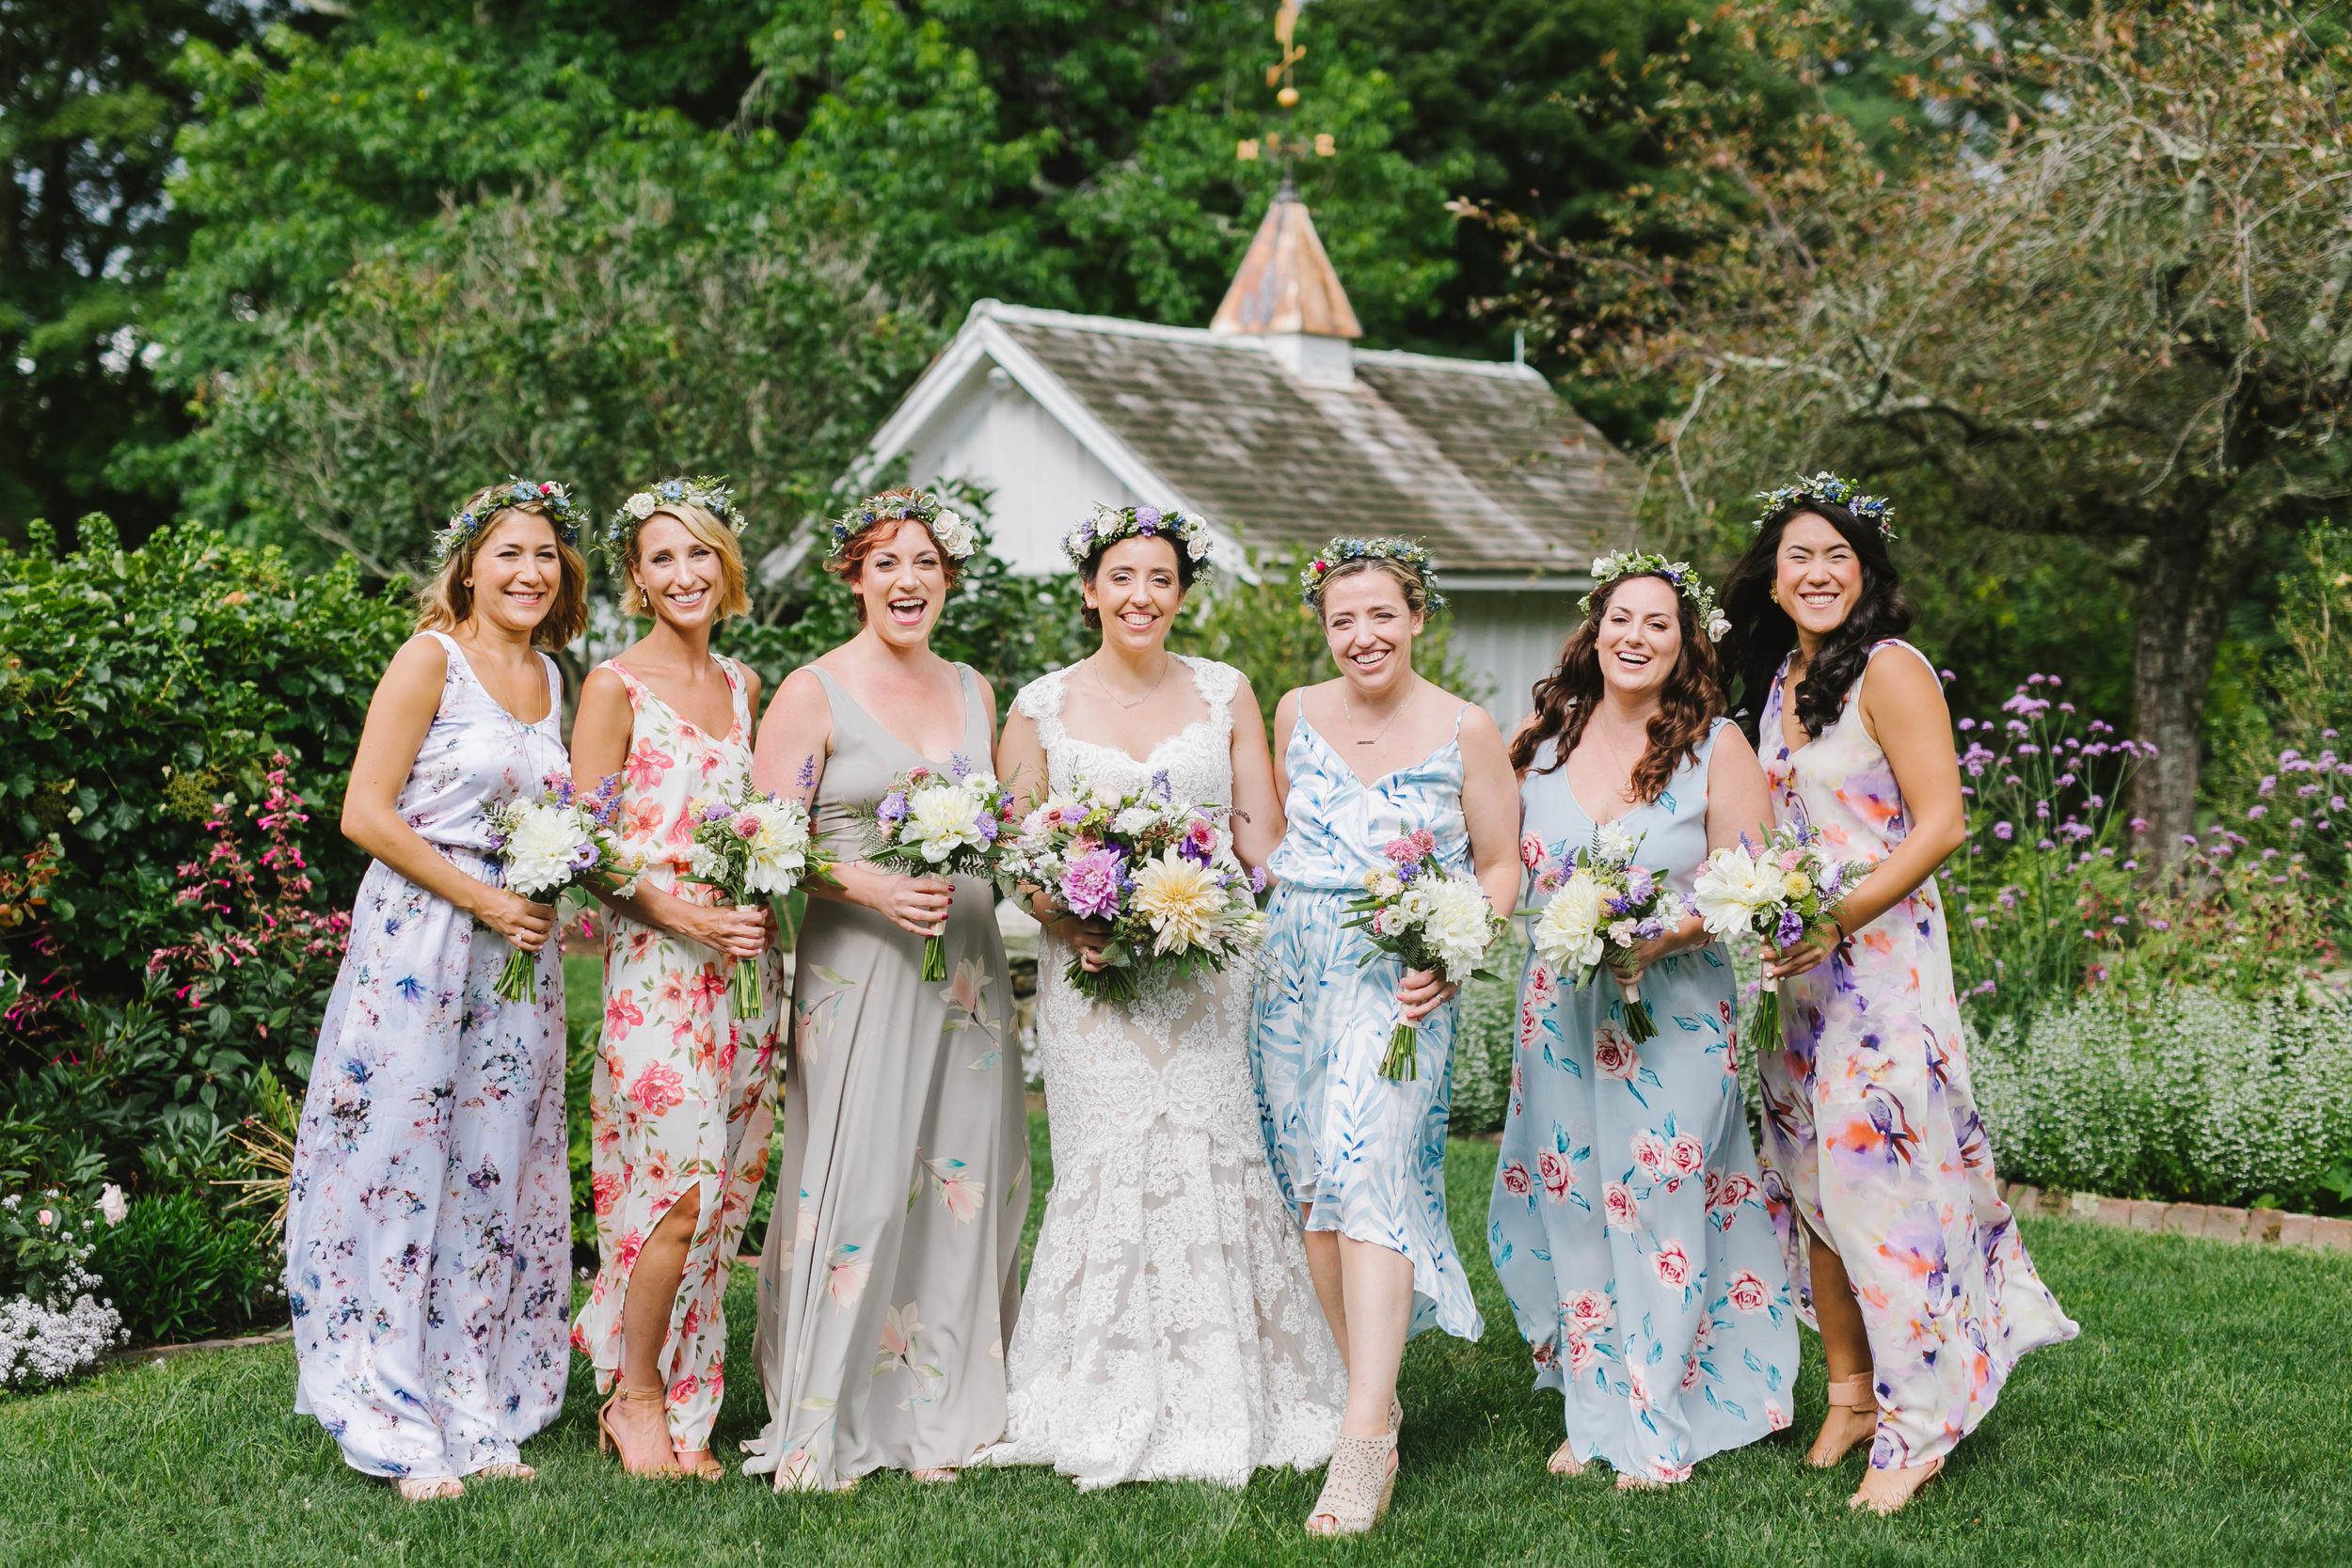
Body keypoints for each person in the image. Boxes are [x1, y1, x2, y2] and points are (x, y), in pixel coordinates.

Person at [1722, 475, 2077, 1515]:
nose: (1819, 571)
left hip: (1879, 970)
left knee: (1879, 1195)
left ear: (1866, 572)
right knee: (1813, 1184)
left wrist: (1834, 916)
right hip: (1801, 978)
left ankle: (1917, 1425)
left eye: (1839, 555)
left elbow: (1939, 824)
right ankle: (1851, 1393)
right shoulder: (1779, 678)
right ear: (1773, 578)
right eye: (1800, 556)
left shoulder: (1891, 668)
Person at [984, 503, 1345, 1490]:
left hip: (1204, 970)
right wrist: (1067, 918)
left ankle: (1237, 1381)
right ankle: (1086, 1388)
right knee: (1106, 1153)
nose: (1140, 596)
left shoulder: (1225, 691)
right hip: (1091, 971)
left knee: (1210, 1143)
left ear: (1181, 594)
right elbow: (1014, 847)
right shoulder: (1040, 704)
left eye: (1161, 579)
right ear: (1091, 588)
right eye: (1122, 577)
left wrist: (1335, 898)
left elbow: (1258, 840)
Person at [285, 479, 588, 1500]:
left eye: (545, 555)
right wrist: (484, 899)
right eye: (509, 553)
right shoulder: (431, 658)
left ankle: (476, 1402)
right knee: (398, 1161)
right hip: (420, 940)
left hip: (517, 957)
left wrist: (541, 892)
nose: (528, 572)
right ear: (469, 563)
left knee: (495, 1171)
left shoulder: (555, 675)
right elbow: (364, 813)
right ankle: (393, 1414)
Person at [1486, 551, 1798, 1490]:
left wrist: (1663, 932)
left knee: (1661, 1200)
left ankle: (1660, 1418)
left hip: (1678, 1010)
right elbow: (1496, 864)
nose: (1636, 637)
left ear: (1684, 641)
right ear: (1594, 628)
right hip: (1558, 1014)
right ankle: (1593, 1412)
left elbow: (1747, 877)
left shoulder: (1717, 746)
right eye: (1622, 618)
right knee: (1577, 1203)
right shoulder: (1537, 742)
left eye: (1658, 623)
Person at [741, 489, 1029, 1490]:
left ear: (948, 578)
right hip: (858, 967)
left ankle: (941, 1406)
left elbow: (996, 817)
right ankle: (829, 1407)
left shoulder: (974, 688)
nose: (906, 580)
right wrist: (862, 877)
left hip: (968, 968)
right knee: (858, 1172)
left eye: (925, 563)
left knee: (962, 1175)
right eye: (885, 562)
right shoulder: (811, 691)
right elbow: (769, 842)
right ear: (854, 577)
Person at [1251, 539, 1521, 1536]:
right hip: (1294, 974)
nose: (1361, 635)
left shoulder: (1465, 727)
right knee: (1315, 1186)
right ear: (1324, 629)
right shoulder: (1294, 711)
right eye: (1341, 619)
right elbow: (1281, 841)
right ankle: (1374, 1388)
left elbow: (1498, 864)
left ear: (1416, 617)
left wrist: (1453, 946)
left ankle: (1364, 1437)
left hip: (1400, 979)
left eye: (1380, 615)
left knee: (1371, 1175)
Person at [569, 478, 782, 1481]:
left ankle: (690, 1396)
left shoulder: (743, 683)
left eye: (699, 553)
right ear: (636, 579)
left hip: (745, 968)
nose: (684, 573)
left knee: (728, 1187)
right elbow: (582, 843)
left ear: (723, 565)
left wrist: (759, 895)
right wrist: (682, 911)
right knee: (678, 1190)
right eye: (662, 557)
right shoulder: (615, 685)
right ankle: (636, 1395)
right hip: (658, 966)